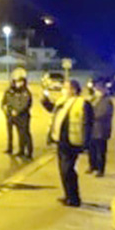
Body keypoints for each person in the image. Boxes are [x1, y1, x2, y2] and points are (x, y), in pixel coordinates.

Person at [43, 79, 94, 207]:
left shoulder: (83, 103)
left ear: (74, 90)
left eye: (66, 87)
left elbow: (88, 124)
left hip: (73, 141)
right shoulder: (62, 101)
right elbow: (53, 112)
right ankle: (68, 195)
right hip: (61, 141)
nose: (63, 90)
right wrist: (44, 100)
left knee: (68, 170)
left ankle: (74, 198)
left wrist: (86, 144)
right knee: (63, 170)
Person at [2, 70, 33, 158]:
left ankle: (28, 152)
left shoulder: (25, 92)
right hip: (10, 115)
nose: (18, 83)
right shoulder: (9, 91)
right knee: (10, 133)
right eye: (17, 81)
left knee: (24, 134)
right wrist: (7, 109)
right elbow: (4, 101)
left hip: (22, 116)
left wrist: (17, 111)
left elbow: (25, 104)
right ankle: (11, 148)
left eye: (20, 81)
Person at [86, 80, 114, 176]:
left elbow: (103, 113)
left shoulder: (107, 101)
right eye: (96, 88)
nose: (97, 90)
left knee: (100, 151)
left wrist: (90, 116)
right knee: (91, 149)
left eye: (99, 88)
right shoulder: (93, 99)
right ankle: (92, 166)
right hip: (92, 129)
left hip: (101, 130)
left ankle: (100, 169)